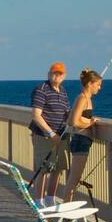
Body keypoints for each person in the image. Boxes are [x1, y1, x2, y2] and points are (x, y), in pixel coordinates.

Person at [30, 62, 71, 205]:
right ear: (49, 74)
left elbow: (67, 113)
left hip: (61, 136)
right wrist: (51, 133)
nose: (57, 76)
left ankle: (50, 200)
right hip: (44, 136)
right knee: (43, 169)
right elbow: (36, 115)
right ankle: (39, 202)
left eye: (60, 74)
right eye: (54, 73)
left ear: (64, 76)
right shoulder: (41, 90)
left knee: (57, 168)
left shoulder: (63, 91)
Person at [62, 68, 103, 203]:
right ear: (90, 84)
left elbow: (70, 120)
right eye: (98, 85)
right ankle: (66, 214)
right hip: (80, 139)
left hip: (82, 140)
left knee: (74, 178)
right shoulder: (83, 99)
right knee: (74, 179)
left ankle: (67, 210)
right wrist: (90, 124)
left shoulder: (85, 98)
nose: (99, 88)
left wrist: (88, 121)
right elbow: (73, 121)